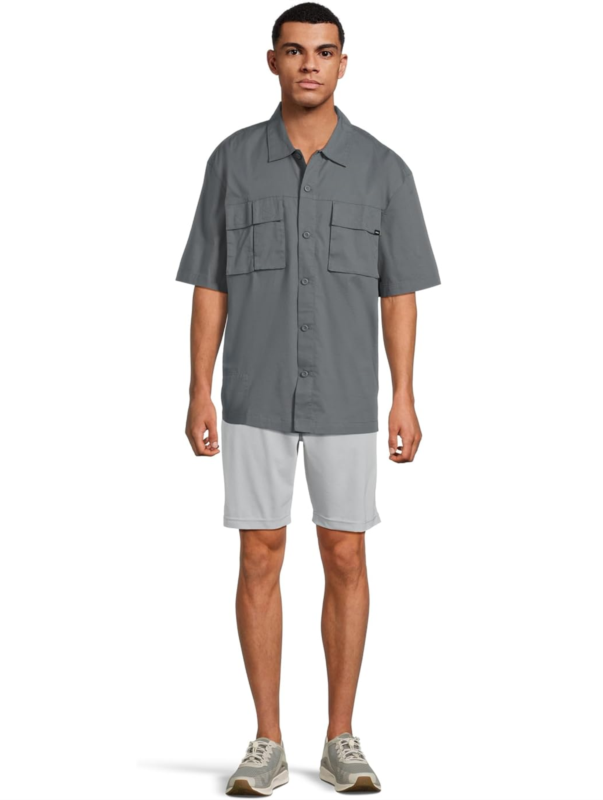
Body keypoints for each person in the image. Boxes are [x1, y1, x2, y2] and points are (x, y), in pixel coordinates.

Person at [175, 3, 441, 794]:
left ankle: (340, 737)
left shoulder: (385, 170)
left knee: (346, 554)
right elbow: (210, 285)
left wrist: (405, 396)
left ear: (343, 64)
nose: (309, 65)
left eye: (324, 52)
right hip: (254, 392)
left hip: (349, 395)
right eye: (294, 51)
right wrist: (197, 391)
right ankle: (266, 740)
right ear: (273, 61)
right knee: (259, 553)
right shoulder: (232, 161)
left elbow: (399, 293)